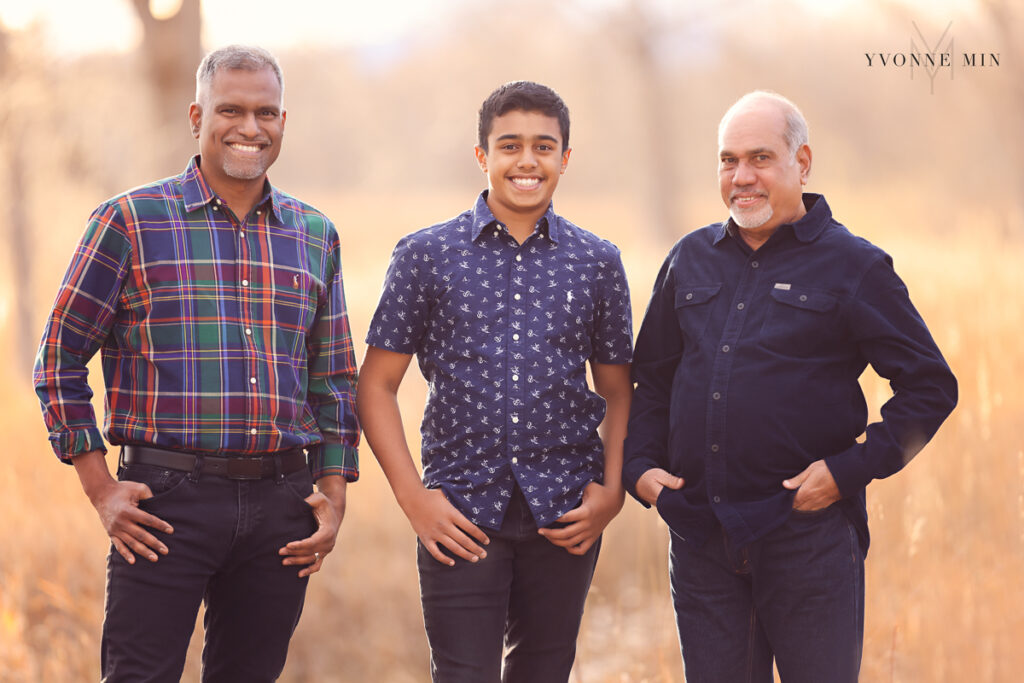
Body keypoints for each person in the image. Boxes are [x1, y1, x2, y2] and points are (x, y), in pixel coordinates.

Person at [33, 45, 359, 682]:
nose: (249, 127)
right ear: (196, 115)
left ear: (283, 122)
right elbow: (59, 358)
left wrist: (335, 493)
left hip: (282, 504)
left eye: (266, 112)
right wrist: (100, 488)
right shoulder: (129, 221)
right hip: (164, 501)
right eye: (230, 109)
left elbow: (333, 376)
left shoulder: (315, 233)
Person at [623, 90, 957, 682]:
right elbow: (651, 379)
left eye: (760, 158)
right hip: (702, 539)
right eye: (728, 161)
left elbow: (930, 386)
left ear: (802, 163)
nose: (741, 177)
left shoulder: (855, 266)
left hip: (808, 540)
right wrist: (641, 469)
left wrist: (849, 470)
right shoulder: (689, 259)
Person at [357, 80, 633, 682]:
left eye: (543, 146)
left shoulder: (596, 262)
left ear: (565, 157)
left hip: (564, 512)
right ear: (482, 156)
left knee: (545, 669)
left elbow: (618, 391)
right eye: (510, 146)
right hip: (458, 512)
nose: (526, 161)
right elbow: (375, 384)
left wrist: (610, 493)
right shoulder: (426, 255)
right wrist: (414, 499)